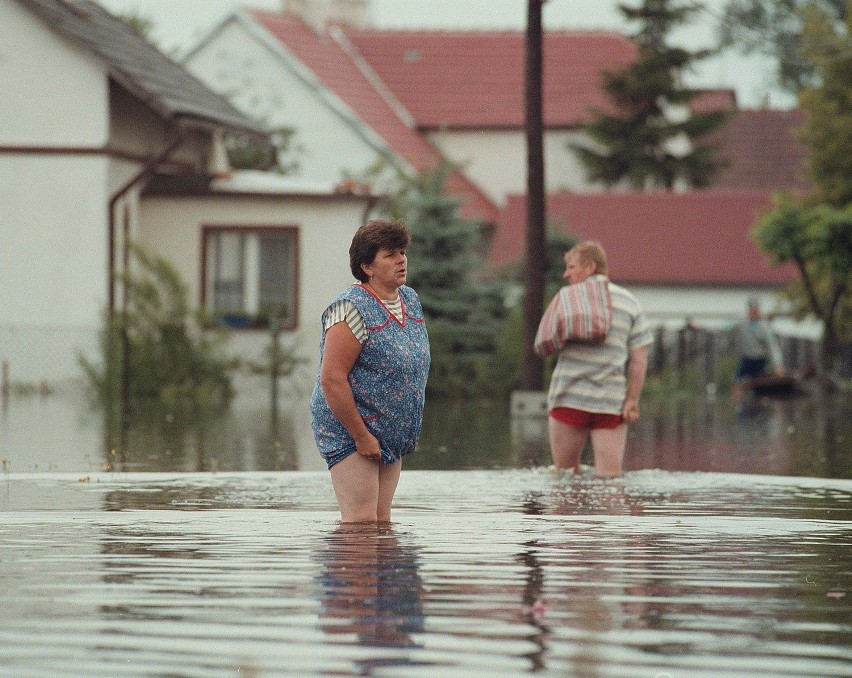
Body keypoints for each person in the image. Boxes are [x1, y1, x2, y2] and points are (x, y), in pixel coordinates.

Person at [310, 219, 430, 523]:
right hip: (352, 430)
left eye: (402, 252)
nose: (401, 260)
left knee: (382, 521)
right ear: (367, 266)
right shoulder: (349, 308)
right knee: (361, 524)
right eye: (390, 255)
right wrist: (361, 436)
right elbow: (332, 378)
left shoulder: (410, 300)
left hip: (390, 433)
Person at [544, 241, 653, 478]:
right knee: (609, 482)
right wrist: (632, 400)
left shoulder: (567, 298)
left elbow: (545, 343)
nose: (566, 274)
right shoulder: (630, 301)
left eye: (571, 267)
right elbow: (639, 359)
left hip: (569, 397)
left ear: (590, 267)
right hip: (610, 402)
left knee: (563, 479)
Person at [731, 298, 785, 399]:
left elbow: (772, 347)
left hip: (759, 361)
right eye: (752, 309)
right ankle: (738, 409)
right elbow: (726, 327)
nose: (754, 312)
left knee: (760, 387)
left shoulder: (765, 327)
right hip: (746, 360)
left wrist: (778, 365)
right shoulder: (742, 325)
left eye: (756, 309)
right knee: (737, 383)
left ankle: (760, 407)